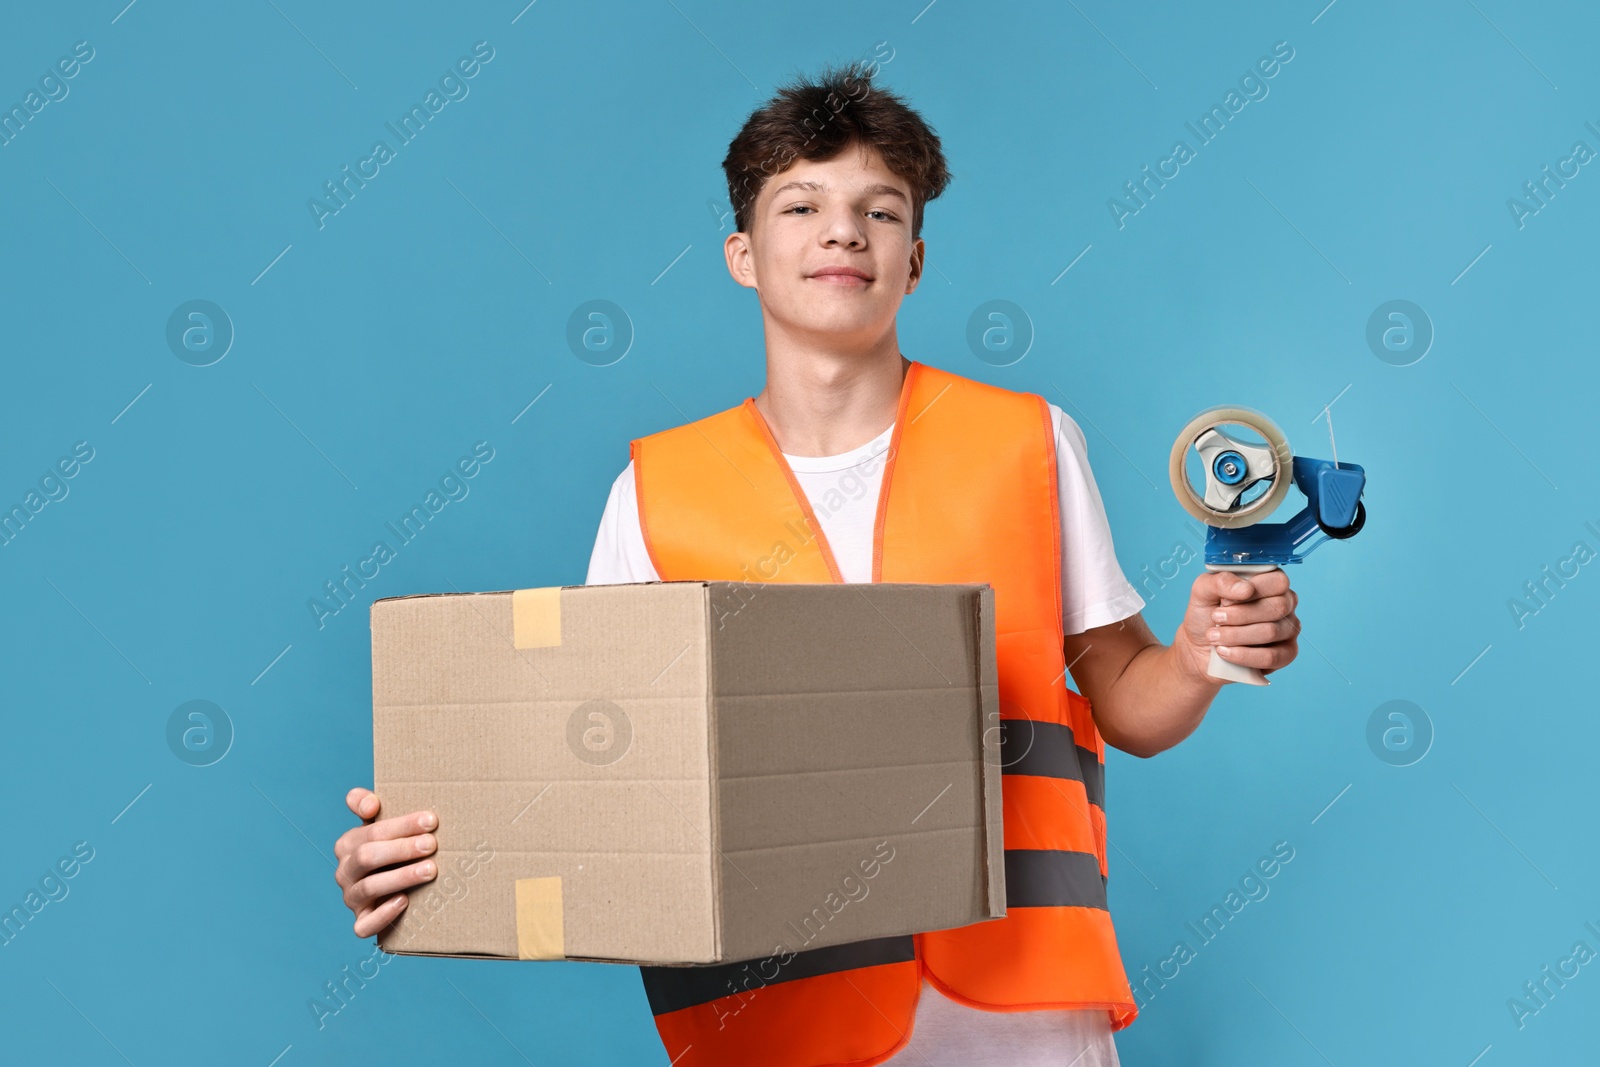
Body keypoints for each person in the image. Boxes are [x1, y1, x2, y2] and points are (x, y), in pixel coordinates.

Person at [333, 60, 1301, 1067]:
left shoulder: (1028, 441)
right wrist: (428, 858)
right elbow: (592, 779)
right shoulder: (656, 492)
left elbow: (1127, 703)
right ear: (742, 254)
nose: (844, 231)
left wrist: (1199, 656)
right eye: (801, 205)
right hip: (775, 1025)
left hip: (1021, 1017)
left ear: (914, 260)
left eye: (880, 212)